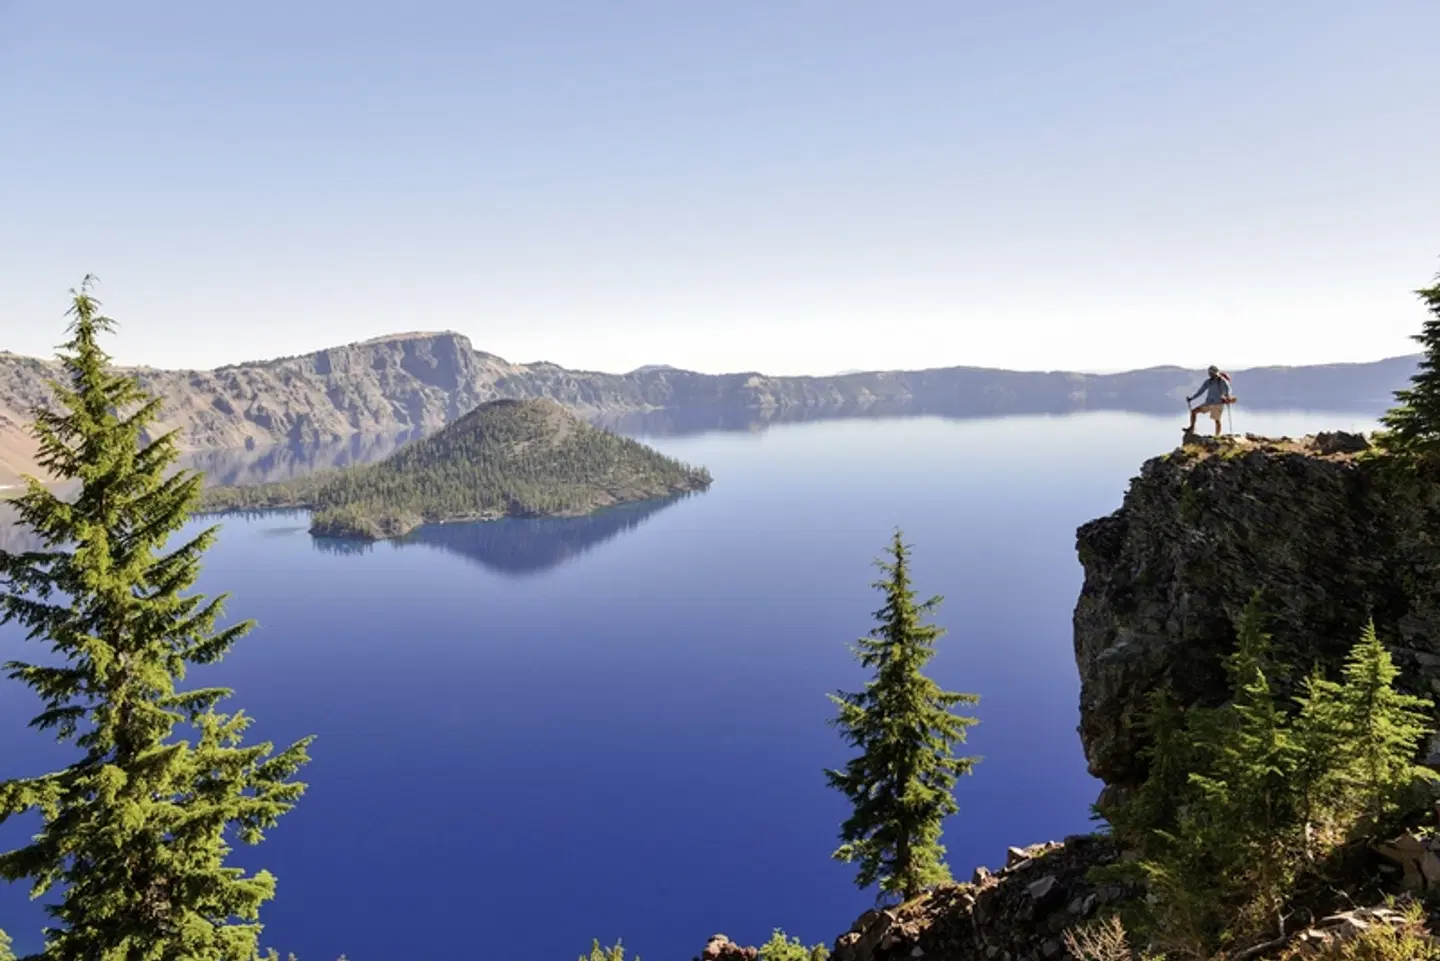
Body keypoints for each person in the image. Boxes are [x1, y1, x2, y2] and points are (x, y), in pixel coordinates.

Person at [1185, 365, 1233, 436]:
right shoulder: (1208, 381)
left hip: (1218, 403)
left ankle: (1217, 436)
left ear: (1215, 372)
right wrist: (1192, 398)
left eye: (1211, 372)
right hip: (1208, 403)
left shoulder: (1222, 381)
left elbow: (1228, 390)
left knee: (1217, 420)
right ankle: (1192, 428)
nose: (1210, 374)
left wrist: (1226, 397)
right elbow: (1201, 391)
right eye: (1209, 372)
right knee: (1194, 412)